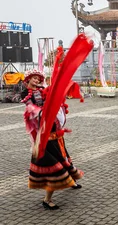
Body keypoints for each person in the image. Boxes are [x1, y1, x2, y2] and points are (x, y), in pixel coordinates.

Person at [22, 69, 83, 210]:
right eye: (34, 78)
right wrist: (44, 111)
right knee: (54, 166)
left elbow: (53, 94)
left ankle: (70, 180)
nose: (36, 81)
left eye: (38, 78)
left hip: (54, 130)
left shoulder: (42, 89)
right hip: (44, 134)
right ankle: (47, 199)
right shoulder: (26, 94)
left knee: (64, 157)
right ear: (28, 80)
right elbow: (31, 109)